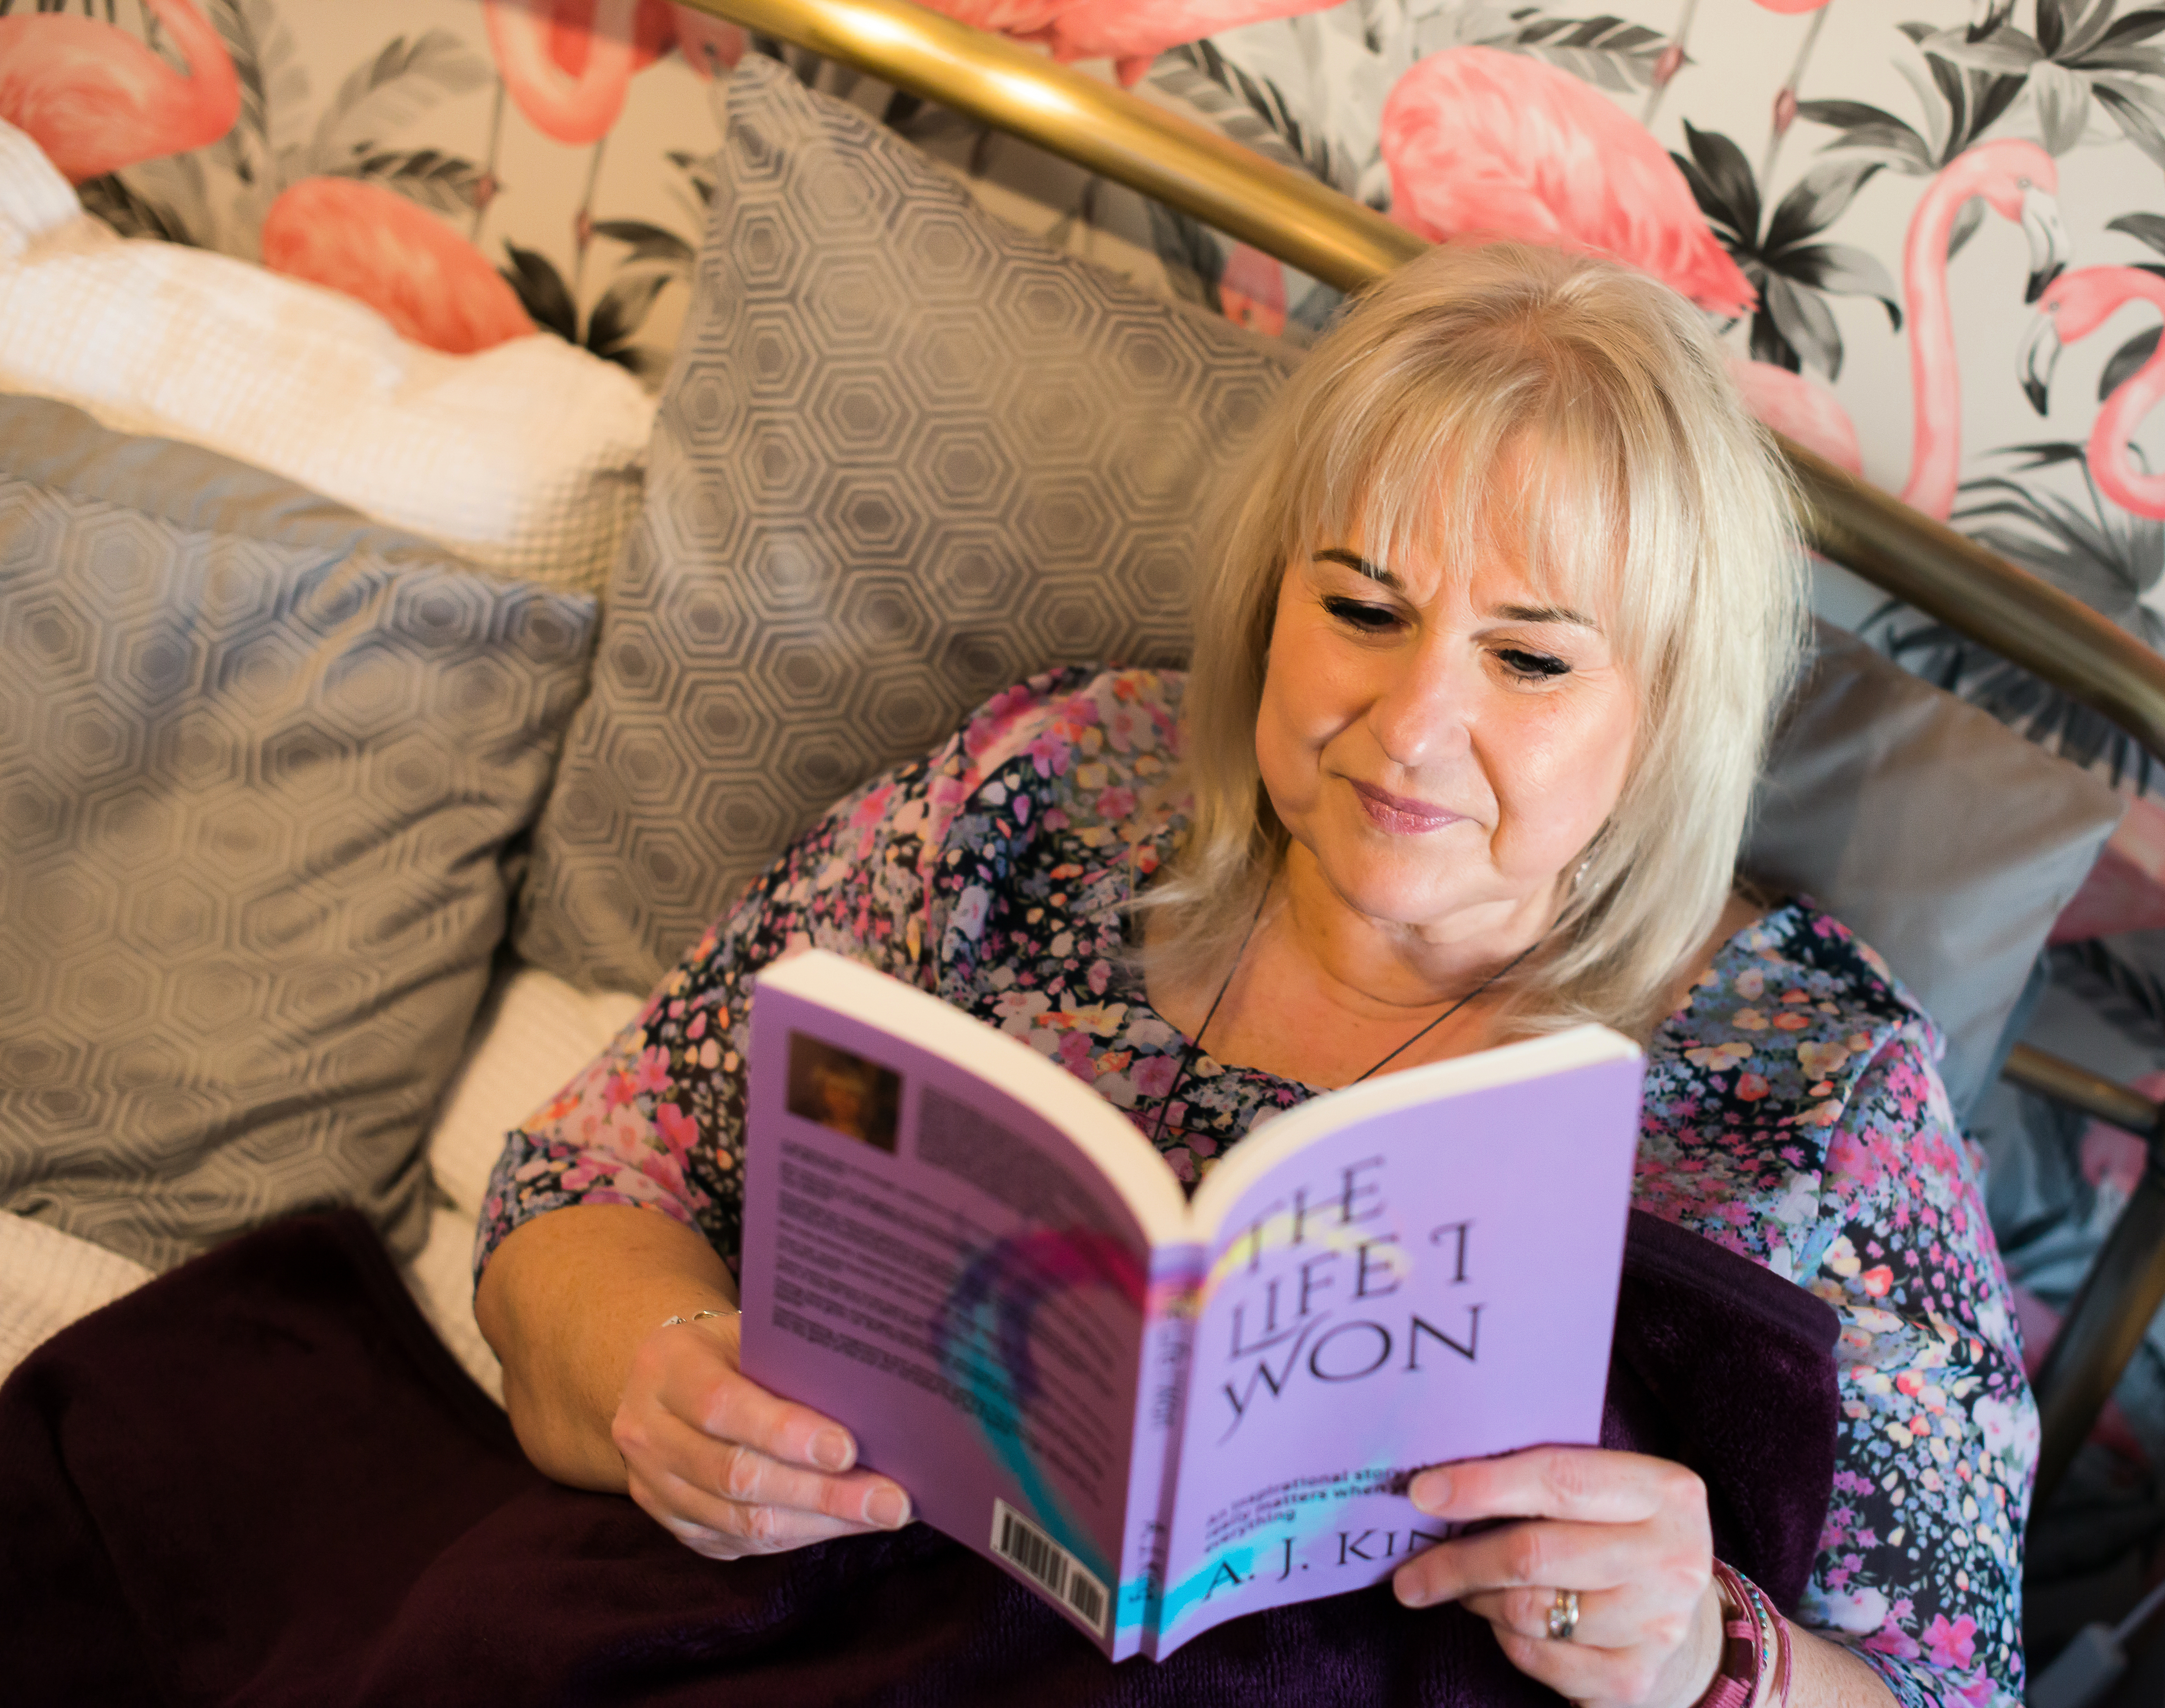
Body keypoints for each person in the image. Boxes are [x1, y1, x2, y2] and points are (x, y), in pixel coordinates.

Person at [472, 241, 2035, 1708]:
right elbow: (582, 1180)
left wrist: (1709, 1650)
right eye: (1361, 606)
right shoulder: (1041, 792)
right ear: (1269, 598)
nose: (1412, 723)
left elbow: (1957, 1683)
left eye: (1531, 658)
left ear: (1671, 708)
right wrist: (664, 1382)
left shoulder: (1819, 1092)